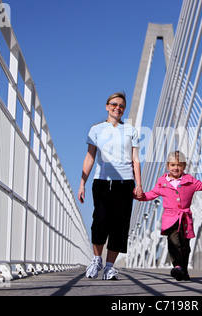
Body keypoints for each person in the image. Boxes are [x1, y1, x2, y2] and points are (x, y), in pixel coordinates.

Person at [78, 92, 143, 280]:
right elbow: (90, 157)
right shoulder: (96, 130)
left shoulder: (131, 131)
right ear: (107, 106)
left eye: (121, 105)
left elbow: (135, 160)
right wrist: (82, 182)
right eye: (114, 104)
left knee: (120, 226)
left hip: (125, 183)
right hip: (102, 182)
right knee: (100, 220)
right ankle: (97, 259)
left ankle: (109, 267)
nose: (118, 108)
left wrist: (139, 184)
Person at [136, 151, 202, 281]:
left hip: (185, 219)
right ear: (168, 166)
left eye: (179, 165)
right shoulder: (162, 182)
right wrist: (139, 196)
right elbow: (152, 194)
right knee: (173, 242)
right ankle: (177, 266)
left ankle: (183, 270)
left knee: (185, 246)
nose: (175, 168)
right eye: (173, 164)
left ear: (184, 166)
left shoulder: (189, 180)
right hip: (170, 218)